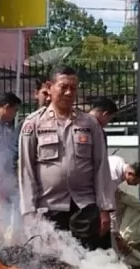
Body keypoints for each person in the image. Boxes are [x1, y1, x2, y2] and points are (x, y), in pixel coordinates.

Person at [18, 65, 115, 251]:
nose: (69, 92)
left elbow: (101, 167)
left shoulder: (89, 123)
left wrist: (105, 208)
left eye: (74, 88)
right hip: (49, 209)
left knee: (92, 265)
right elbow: (26, 170)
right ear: (49, 86)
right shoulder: (33, 124)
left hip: (85, 207)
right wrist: (28, 212)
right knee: (54, 267)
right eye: (64, 87)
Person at [108, 155, 140, 268]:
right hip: (97, 196)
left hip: (112, 192)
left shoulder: (120, 161)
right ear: (130, 174)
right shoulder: (113, 177)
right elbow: (110, 210)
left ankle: (126, 243)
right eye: (137, 181)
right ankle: (119, 248)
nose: (137, 184)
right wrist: (117, 237)